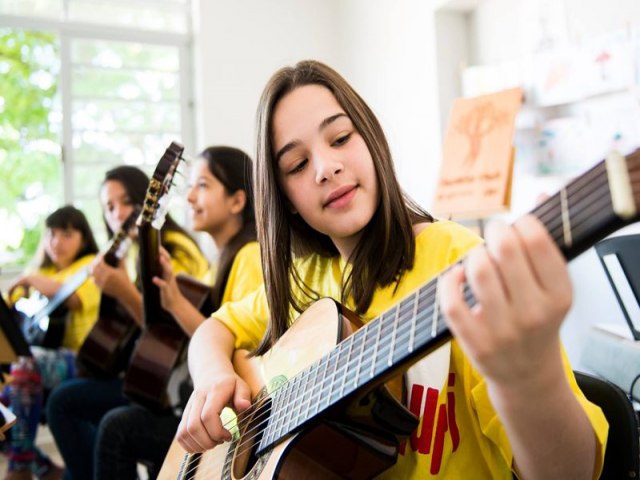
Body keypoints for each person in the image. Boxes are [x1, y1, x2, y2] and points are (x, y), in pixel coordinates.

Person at [175, 60, 608, 479]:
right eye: (298, 165)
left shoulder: (455, 260)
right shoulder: (303, 278)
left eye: (340, 138)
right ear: (285, 197)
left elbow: (572, 471)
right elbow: (214, 330)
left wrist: (529, 376)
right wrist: (214, 377)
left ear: (371, 140)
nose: (327, 168)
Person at [93, 146, 263, 479]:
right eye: (189, 188)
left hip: (235, 418)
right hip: (198, 399)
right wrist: (171, 299)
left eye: (203, 185)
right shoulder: (222, 261)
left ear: (237, 201)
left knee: (117, 428)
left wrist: (173, 302)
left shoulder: (250, 256)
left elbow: (245, 355)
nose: (188, 199)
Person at [46, 165, 208, 480]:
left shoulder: (172, 248)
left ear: (148, 200)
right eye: (109, 207)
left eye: (126, 201)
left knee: (64, 403)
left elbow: (171, 338)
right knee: (66, 398)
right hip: (146, 375)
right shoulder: (134, 250)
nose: (118, 213)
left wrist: (123, 290)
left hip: (173, 386)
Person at [2, 206, 101, 480]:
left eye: (67, 234)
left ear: (83, 237)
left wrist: (30, 279)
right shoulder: (42, 270)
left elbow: (74, 299)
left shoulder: (91, 266)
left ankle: (19, 468)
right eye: (51, 234)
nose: (56, 241)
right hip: (41, 357)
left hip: (80, 360)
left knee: (24, 361)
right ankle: (44, 468)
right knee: (3, 396)